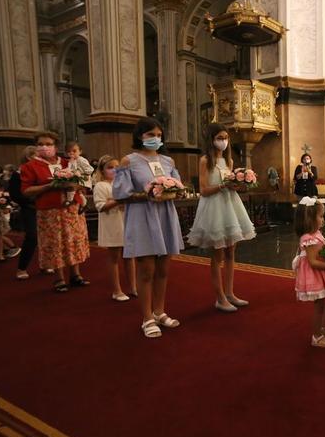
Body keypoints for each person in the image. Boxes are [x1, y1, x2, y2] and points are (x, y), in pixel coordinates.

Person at [113, 117, 184, 338]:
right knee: (146, 271)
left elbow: (178, 188)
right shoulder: (129, 161)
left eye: (159, 135)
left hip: (165, 216)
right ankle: (147, 318)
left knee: (163, 269)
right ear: (139, 136)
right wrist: (149, 193)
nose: (155, 139)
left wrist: (173, 190)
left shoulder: (168, 161)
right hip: (143, 216)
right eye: (150, 135)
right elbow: (121, 193)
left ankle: (160, 311)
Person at [186, 123, 255, 312]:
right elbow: (203, 190)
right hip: (214, 207)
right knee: (217, 254)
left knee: (231, 252)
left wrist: (239, 184)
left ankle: (230, 292)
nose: (223, 141)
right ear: (211, 139)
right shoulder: (205, 161)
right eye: (220, 138)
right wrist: (223, 186)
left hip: (230, 206)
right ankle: (220, 297)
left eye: (226, 138)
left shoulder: (229, 162)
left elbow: (230, 183)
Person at [20, 131, 91, 292]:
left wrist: (75, 186)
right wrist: (49, 186)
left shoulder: (68, 162)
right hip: (50, 211)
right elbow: (26, 190)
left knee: (74, 241)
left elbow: (84, 181)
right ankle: (59, 278)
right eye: (40, 144)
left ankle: (76, 274)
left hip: (72, 209)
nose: (44, 147)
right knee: (55, 243)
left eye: (48, 144)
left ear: (56, 146)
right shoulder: (30, 166)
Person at [292, 196, 325, 348]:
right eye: (321, 216)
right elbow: (313, 262)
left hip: (323, 273)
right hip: (315, 275)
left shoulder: (317, 233)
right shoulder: (308, 238)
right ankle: (316, 336)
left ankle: (323, 325)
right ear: (310, 218)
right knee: (319, 304)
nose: (323, 220)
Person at [93, 155, 137, 302]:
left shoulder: (122, 184)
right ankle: (116, 290)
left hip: (126, 222)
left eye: (116, 167)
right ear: (102, 170)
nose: (114, 170)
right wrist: (118, 200)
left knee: (129, 256)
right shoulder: (101, 186)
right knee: (114, 258)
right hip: (112, 224)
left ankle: (133, 287)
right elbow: (101, 206)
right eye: (110, 167)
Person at [10, 146, 51, 279]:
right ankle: (21, 268)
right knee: (32, 236)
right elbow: (15, 194)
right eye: (37, 156)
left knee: (47, 237)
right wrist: (31, 199)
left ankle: (45, 264)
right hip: (29, 208)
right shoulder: (18, 173)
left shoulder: (42, 170)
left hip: (45, 206)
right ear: (29, 157)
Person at [65, 141, 93, 207]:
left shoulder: (81, 160)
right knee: (79, 192)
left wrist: (80, 173)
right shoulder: (71, 160)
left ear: (80, 151)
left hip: (83, 178)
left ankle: (69, 200)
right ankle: (84, 205)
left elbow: (90, 169)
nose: (71, 153)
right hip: (76, 178)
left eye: (74, 151)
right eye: (69, 151)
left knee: (71, 188)